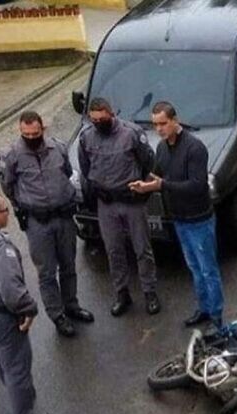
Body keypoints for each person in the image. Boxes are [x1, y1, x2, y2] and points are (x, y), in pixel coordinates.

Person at [129, 101, 225, 330]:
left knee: (208, 270)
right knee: (194, 268)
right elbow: (158, 174)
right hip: (179, 219)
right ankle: (203, 309)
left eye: (163, 123)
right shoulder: (162, 148)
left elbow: (195, 185)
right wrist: (145, 183)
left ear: (175, 120)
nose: (159, 129)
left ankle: (217, 317)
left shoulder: (194, 148)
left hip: (199, 220)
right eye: (155, 125)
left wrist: (161, 185)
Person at [0, 111, 94, 338]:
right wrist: (23, 205)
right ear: (21, 132)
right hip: (38, 222)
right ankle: (57, 315)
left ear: (43, 129)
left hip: (63, 217)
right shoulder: (12, 155)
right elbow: (8, 186)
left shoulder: (57, 148)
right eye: (26, 134)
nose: (31, 137)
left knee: (69, 265)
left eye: (35, 133)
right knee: (47, 273)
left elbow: (68, 173)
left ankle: (72, 305)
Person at [77, 97, 161, 317]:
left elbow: (148, 162)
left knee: (142, 249)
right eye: (93, 119)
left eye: (101, 118)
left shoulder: (131, 133)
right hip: (107, 203)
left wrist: (141, 188)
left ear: (111, 113)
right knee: (114, 251)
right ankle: (122, 293)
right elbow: (86, 169)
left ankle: (150, 292)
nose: (97, 123)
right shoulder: (86, 137)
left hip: (131, 200)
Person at [0, 191, 52, 414]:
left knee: (0, 361)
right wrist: (29, 308)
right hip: (1, 316)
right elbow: (10, 289)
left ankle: (19, 395)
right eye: (4, 210)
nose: (9, 214)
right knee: (17, 366)